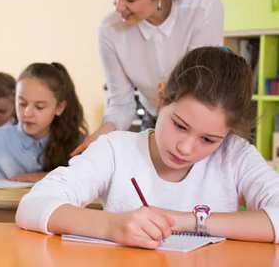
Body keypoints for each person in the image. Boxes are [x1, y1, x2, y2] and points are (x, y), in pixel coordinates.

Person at [16, 47, 279, 247]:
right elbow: (32, 206)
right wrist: (112, 227)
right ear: (161, 96)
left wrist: (183, 221)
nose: (186, 148)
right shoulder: (115, 150)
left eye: (208, 140)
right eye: (179, 125)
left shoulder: (236, 156)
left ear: (228, 133)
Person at [73, 0, 223, 156]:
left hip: (204, 117)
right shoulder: (110, 31)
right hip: (154, 117)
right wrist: (102, 136)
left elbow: (202, 84)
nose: (119, 6)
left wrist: (173, 102)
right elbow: (121, 105)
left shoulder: (203, 9)